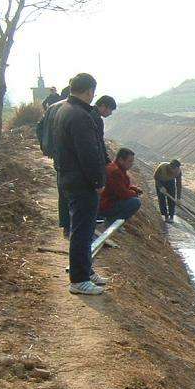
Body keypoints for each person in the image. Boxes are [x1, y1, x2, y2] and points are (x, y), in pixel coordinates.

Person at [53, 72, 107, 296]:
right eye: (93, 92)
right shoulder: (80, 116)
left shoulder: (64, 109)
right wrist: (97, 181)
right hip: (82, 181)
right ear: (89, 91)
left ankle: (86, 271)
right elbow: (88, 153)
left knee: (84, 228)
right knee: (82, 231)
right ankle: (79, 279)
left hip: (69, 176)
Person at [37, 99, 70, 237]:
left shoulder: (52, 107)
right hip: (71, 157)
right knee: (75, 191)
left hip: (58, 156)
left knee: (62, 190)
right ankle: (73, 225)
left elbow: (39, 127)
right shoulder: (74, 110)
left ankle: (66, 225)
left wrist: (46, 147)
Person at [99, 147, 142, 224]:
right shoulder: (115, 172)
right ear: (121, 160)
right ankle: (112, 222)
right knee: (135, 202)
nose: (131, 164)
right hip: (106, 204)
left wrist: (133, 188)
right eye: (130, 161)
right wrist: (134, 193)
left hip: (107, 202)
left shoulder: (118, 169)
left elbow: (121, 186)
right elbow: (123, 194)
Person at [91, 95, 116, 165]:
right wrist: (106, 160)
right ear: (103, 106)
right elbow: (99, 141)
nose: (110, 113)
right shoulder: (97, 119)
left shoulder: (87, 112)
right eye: (110, 110)